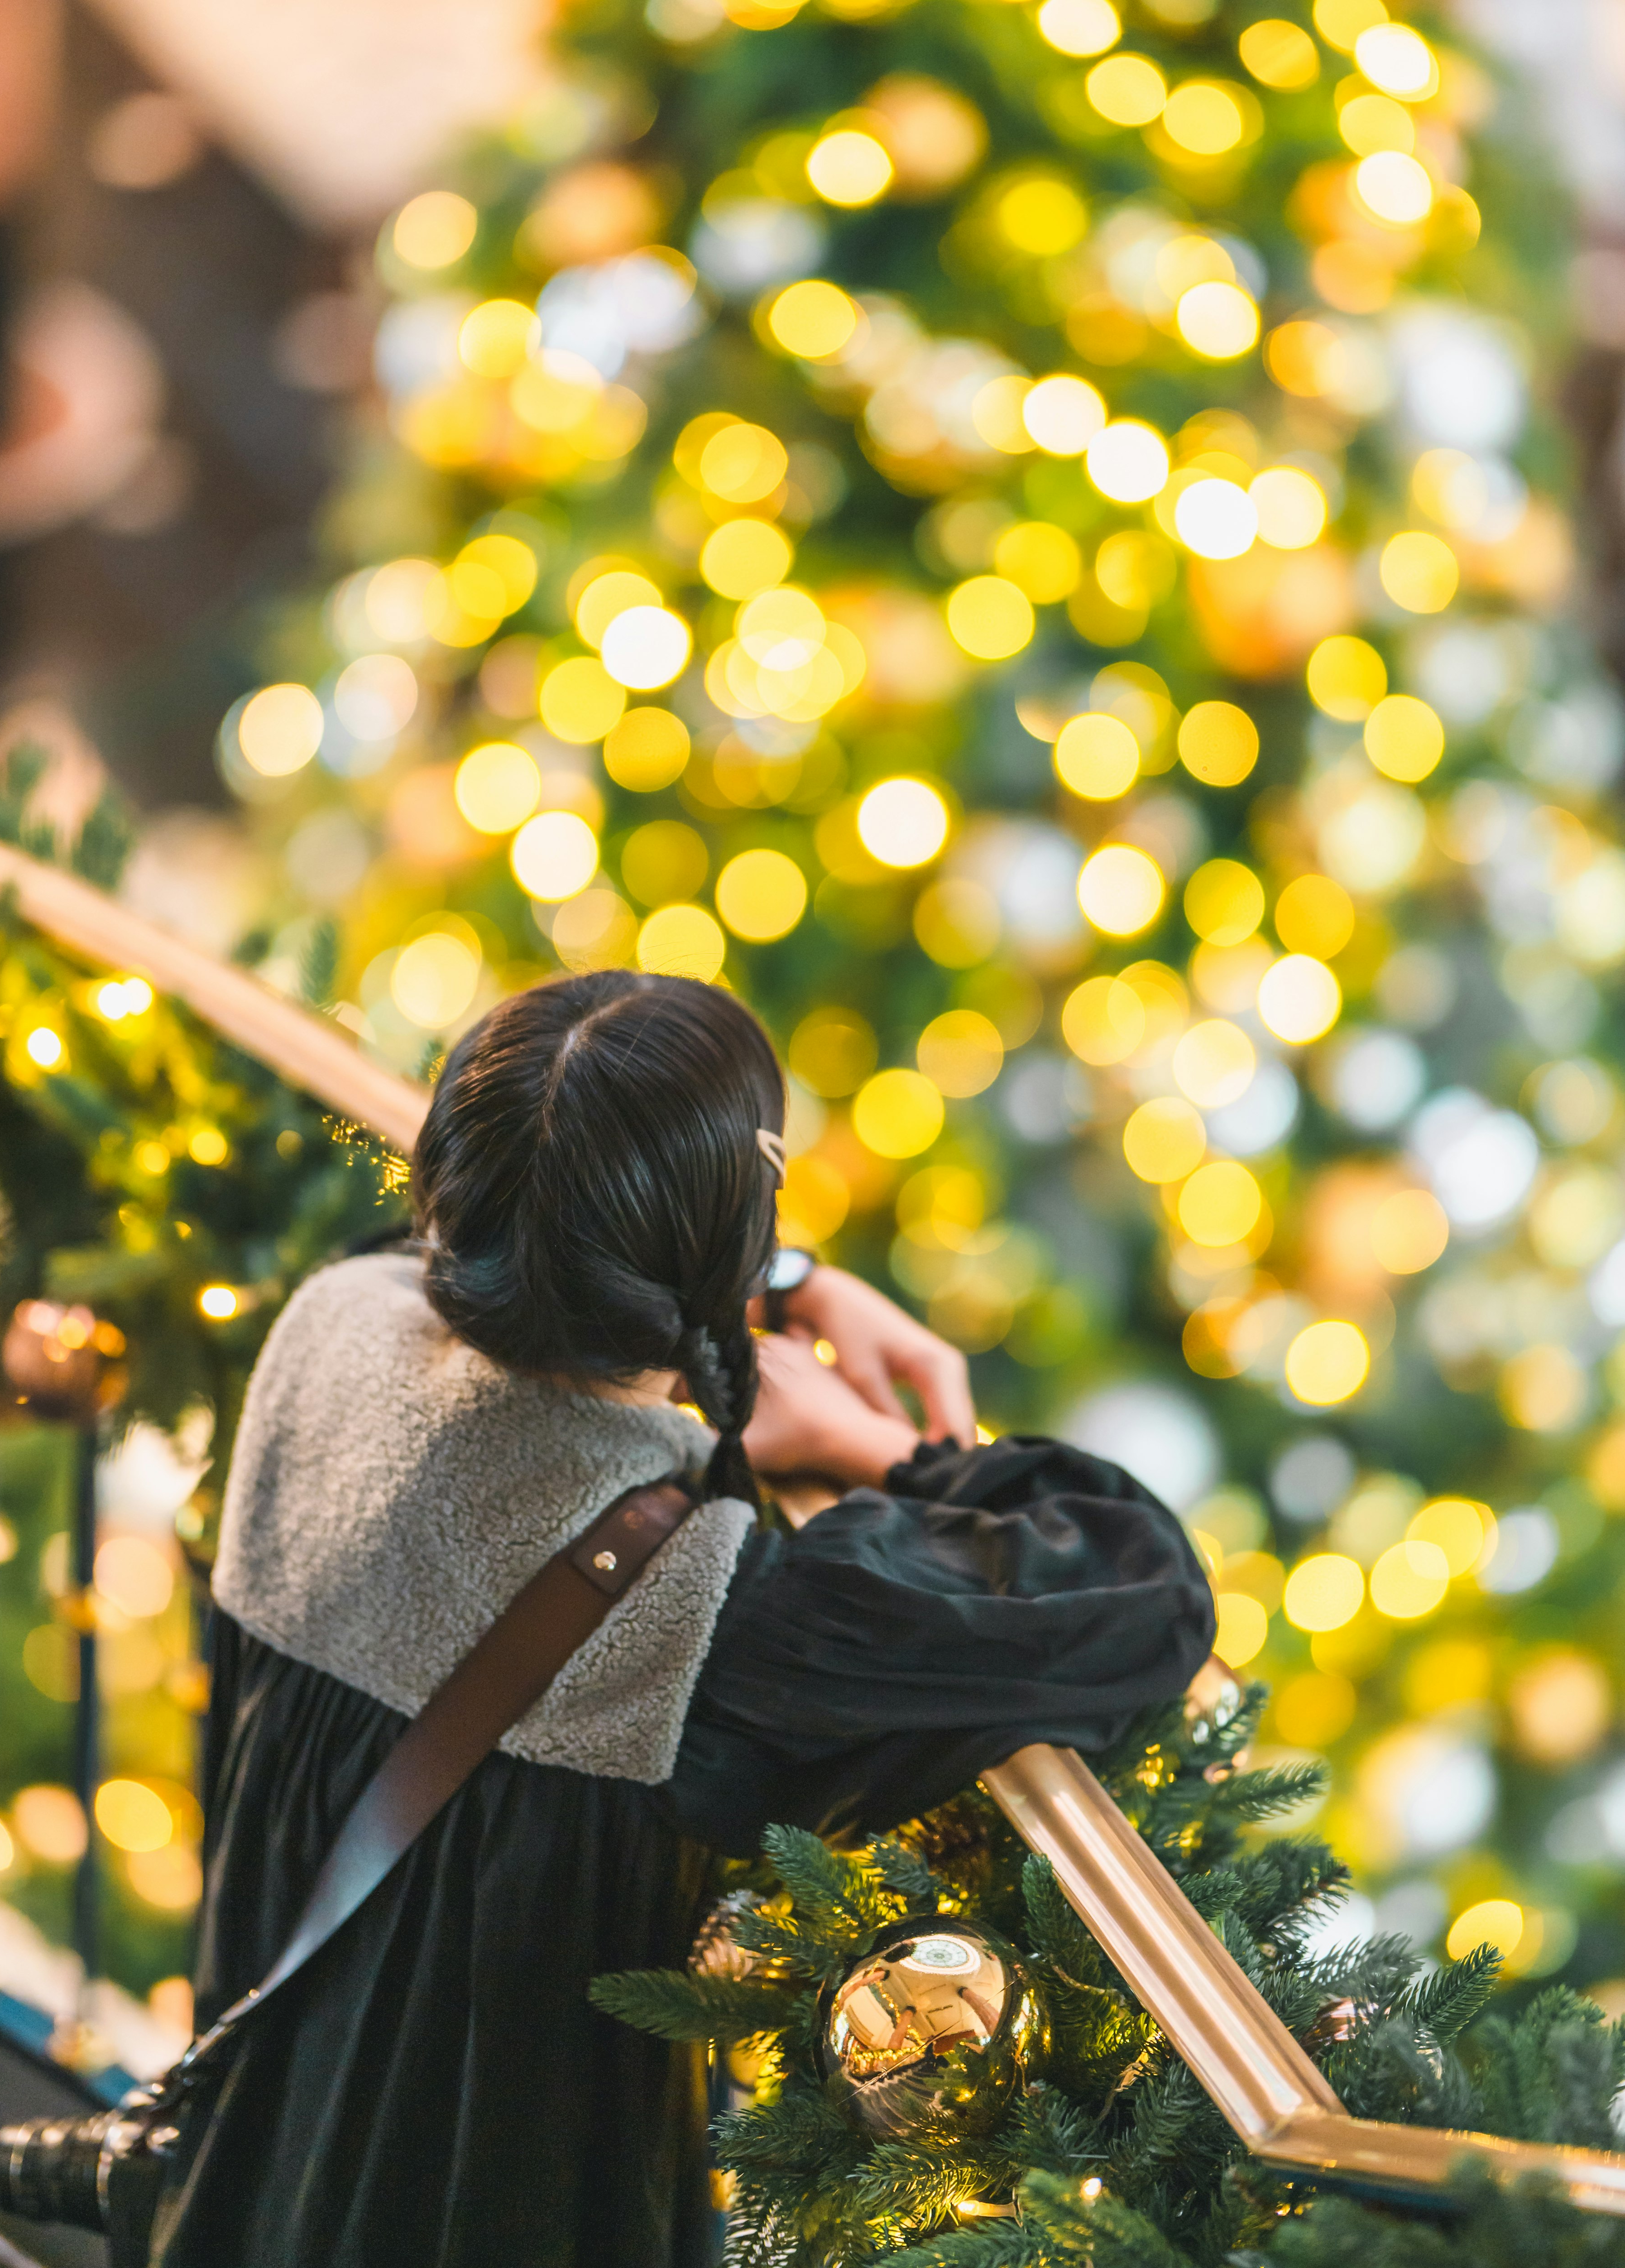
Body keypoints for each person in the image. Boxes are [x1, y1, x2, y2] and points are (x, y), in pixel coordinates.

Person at [161, 971, 1214, 2268]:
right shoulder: (709, 1618)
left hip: (239, 2186)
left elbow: (507, 1249)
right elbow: (1142, 1592)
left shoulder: (333, 1328)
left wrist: (768, 1279)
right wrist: (872, 1441)